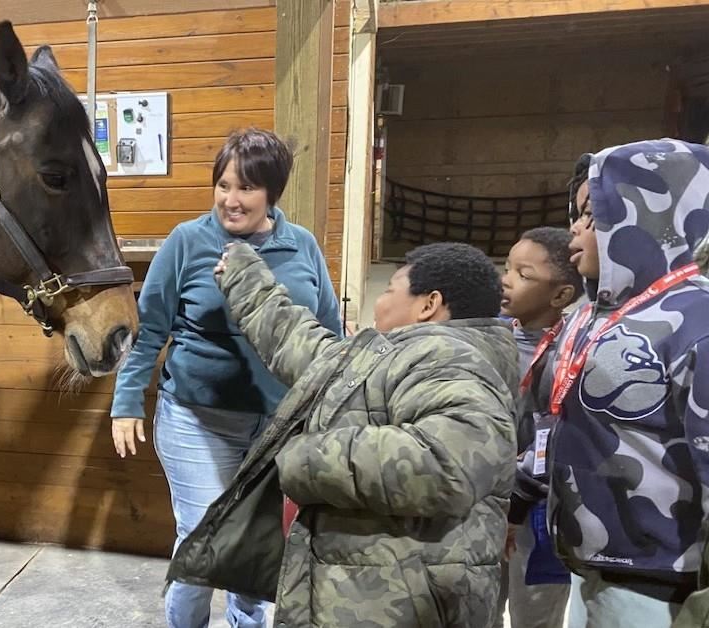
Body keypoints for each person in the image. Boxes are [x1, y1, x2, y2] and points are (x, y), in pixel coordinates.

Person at [165, 240, 518, 627]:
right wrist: (244, 275)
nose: (380, 302)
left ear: (428, 305)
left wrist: (303, 457)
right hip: (372, 593)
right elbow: (297, 342)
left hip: (401, 603)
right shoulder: (397, 357)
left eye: (389, 290)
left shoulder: (446, 358)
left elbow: (448, 461)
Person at [109, 127, 341, 628]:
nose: (231, 200)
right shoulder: (188, 241)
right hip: (197, 417)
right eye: (223, 185)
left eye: (246, 189)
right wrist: (126, 401)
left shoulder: (301, 246)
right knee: (203, 540)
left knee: (255, 546)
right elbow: (149, 330)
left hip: (278, 426)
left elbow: (328, 333)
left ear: (272, 193)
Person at [547, 139, 709, 628]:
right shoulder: (602, 314)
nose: (575, 230)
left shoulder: (696, 318)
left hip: (667, 590)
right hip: (597, 571)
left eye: (595, 215)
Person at [496, 226, 582, 628]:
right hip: (485, 499)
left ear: (561, 295)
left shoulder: (572, 352)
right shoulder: (490, 336)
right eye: (508, 267)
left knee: (535, 614)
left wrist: (519, 500)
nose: (506, 279)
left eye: (523, 274)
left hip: (536, 511)